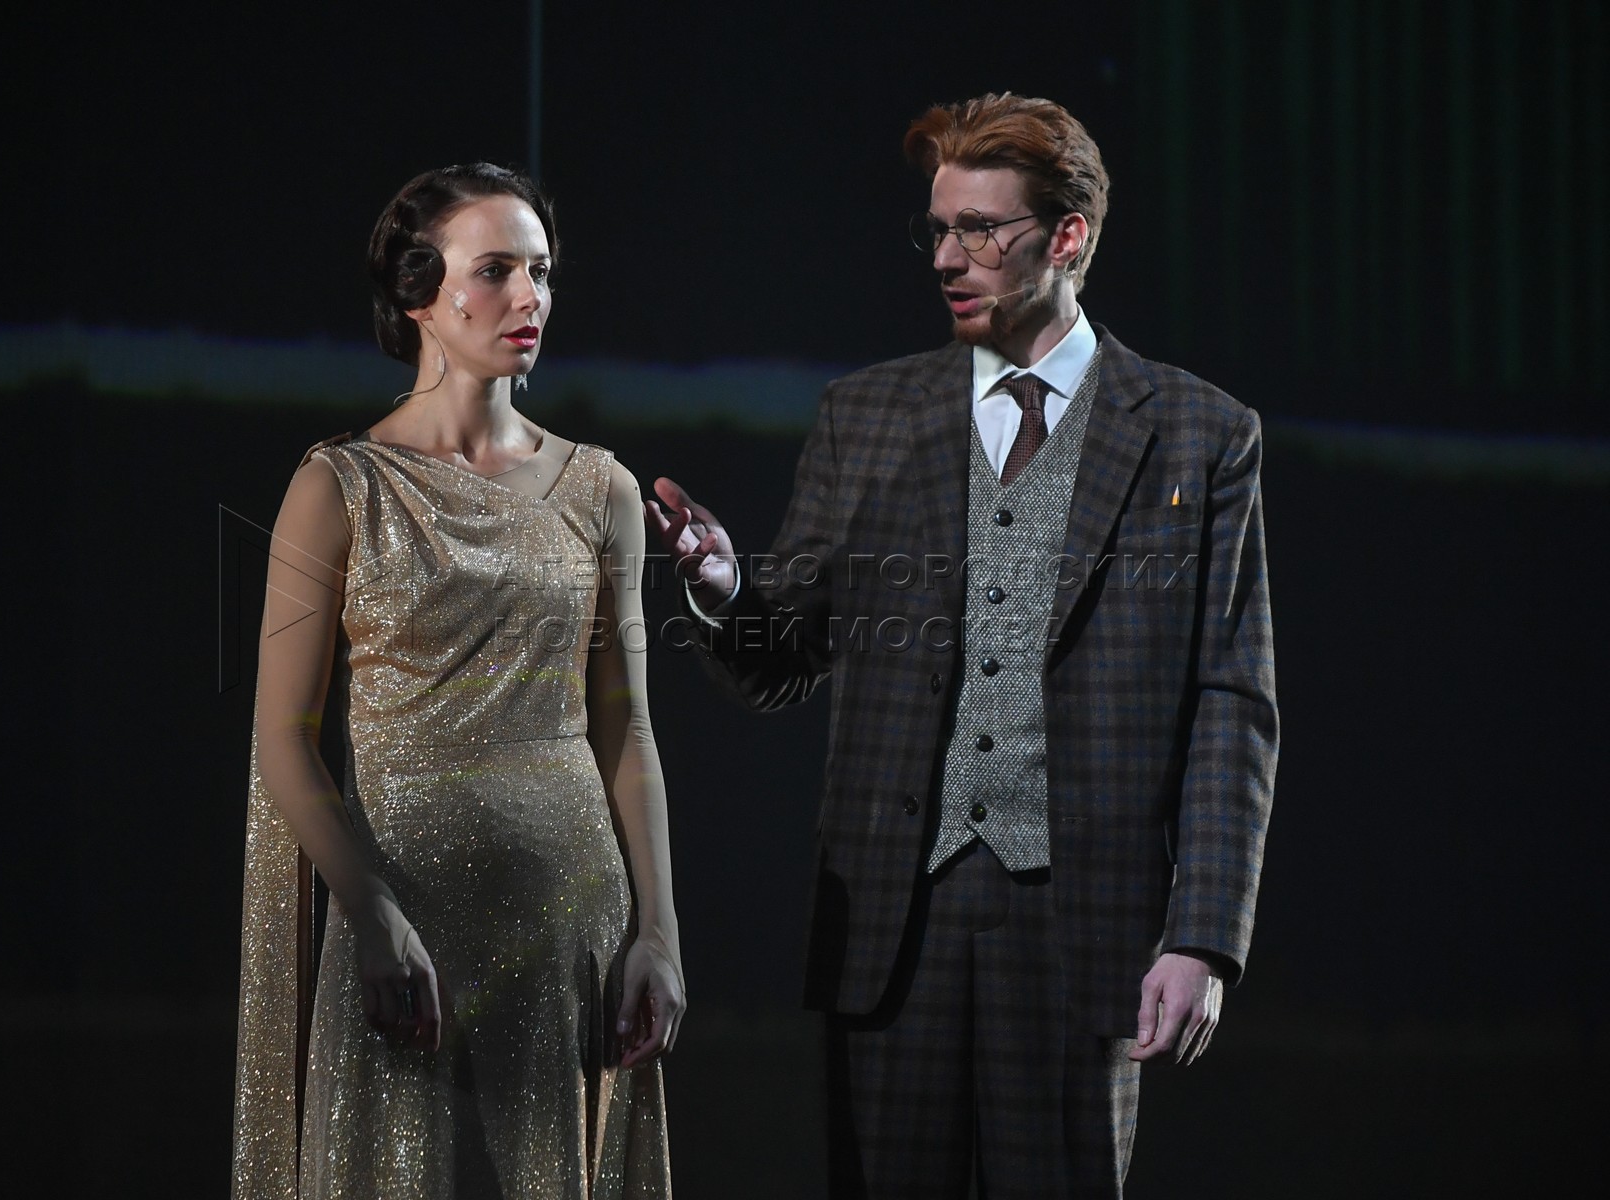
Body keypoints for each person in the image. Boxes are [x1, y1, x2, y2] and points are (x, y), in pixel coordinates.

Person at [647, 93, 1277, 1197]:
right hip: (895, 919)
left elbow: (1231, 696)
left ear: (1067, 236)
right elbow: (783, 655)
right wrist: (725, 587)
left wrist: (1203, 936)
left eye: (979, 230)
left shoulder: (1200, 433)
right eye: (938, 230)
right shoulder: (868, 414)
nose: (947, 257)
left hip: (1085, 923)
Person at [233, 162, 683, 1199]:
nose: (531, 298)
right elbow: (284, 736)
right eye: (497, 271)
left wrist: (659, 934)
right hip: (404, 919)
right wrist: (370, 911)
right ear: (418, 294)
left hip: (573, 920)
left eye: (542, 271)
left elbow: (628, 729)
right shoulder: (340, 487)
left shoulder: (602, 488)